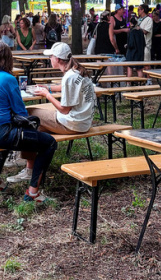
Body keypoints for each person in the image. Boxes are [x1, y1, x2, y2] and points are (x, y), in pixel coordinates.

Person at [0, 42, 57, 203]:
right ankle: (33, 193)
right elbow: (20, 112)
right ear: (8, 59)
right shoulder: (8, 79)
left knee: (6, 131)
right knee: (49, 143)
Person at [7, 42, 96, 184]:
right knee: (36, 126)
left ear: (58, 59)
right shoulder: (77, 71)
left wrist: (46, 94)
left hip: (72, 123)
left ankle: (27, 167)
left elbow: (64, 109)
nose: (49, 59)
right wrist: (48, 87)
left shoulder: (69, 77)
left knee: (28, 115)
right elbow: (65, 87)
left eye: (51, 57)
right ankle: (28, 163)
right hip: (84, 121)